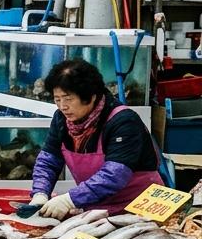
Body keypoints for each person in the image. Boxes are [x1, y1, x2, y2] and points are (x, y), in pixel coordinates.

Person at [30, 59, 163, 218]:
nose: (62, 106)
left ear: (91, 97)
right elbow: (49, 160)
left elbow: (115, 175)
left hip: (143, 207)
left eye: (68, 99)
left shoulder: (123, 121)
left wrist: (70, 200)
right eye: (57, 99)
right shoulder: (61, 120)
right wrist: (40, 193)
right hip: (97, 208)